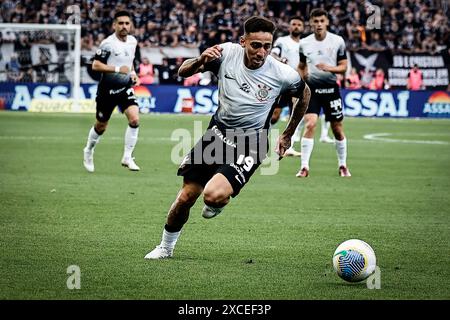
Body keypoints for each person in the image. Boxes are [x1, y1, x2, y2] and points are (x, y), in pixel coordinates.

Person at [144, 16, 311, 259]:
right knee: (186, 197)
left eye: (267, 46)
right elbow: (183, 72)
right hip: (218, 134)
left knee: (212, 195)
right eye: (256, 45)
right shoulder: (225, 54)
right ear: (243, 41)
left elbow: (305, 94)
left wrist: (288, 133)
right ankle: (165, 248)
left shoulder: (282, 73)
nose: (262, 52)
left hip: (251, 143)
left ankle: (217, 202)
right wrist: (201, 60)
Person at [83, 10, 141, 173]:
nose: (124, 26)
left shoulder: (132, 42)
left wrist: (133, 74)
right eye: (120, 23)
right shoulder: (108, 43)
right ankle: (88, 150)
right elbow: (95, 65)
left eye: (127, 23)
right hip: (107, 91)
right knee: (101, 126)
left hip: (124, 89)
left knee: (135, 119)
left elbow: (129, 63)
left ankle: (127, 157)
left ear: (131, 26)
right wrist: (117, 69)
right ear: (114, 25)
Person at [296, 9, 351, 178]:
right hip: (312, 90)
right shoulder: (304, 43)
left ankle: (342, 165)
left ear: (327, 22)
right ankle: (304, 167)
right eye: (315, 21)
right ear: (311, 23)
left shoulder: (337, 41)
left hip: (331, 90)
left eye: (322, 21)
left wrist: (329, 68)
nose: (319, 24)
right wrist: (300, 78)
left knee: (337, 129)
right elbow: (301, 65)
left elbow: (344, 67)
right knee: (310, 124)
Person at [271, 16, 334, 155]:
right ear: (289, 26)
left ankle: (288, 146)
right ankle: (260, 136)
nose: (296, 27)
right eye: (294, 24)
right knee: (275, 115)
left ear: (303, 27)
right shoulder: (282, 41)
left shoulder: (307, 44)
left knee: (295, 114)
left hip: (298, 84)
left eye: (299, 24)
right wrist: (280, 60)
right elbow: (273, 54)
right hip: (281, 82)